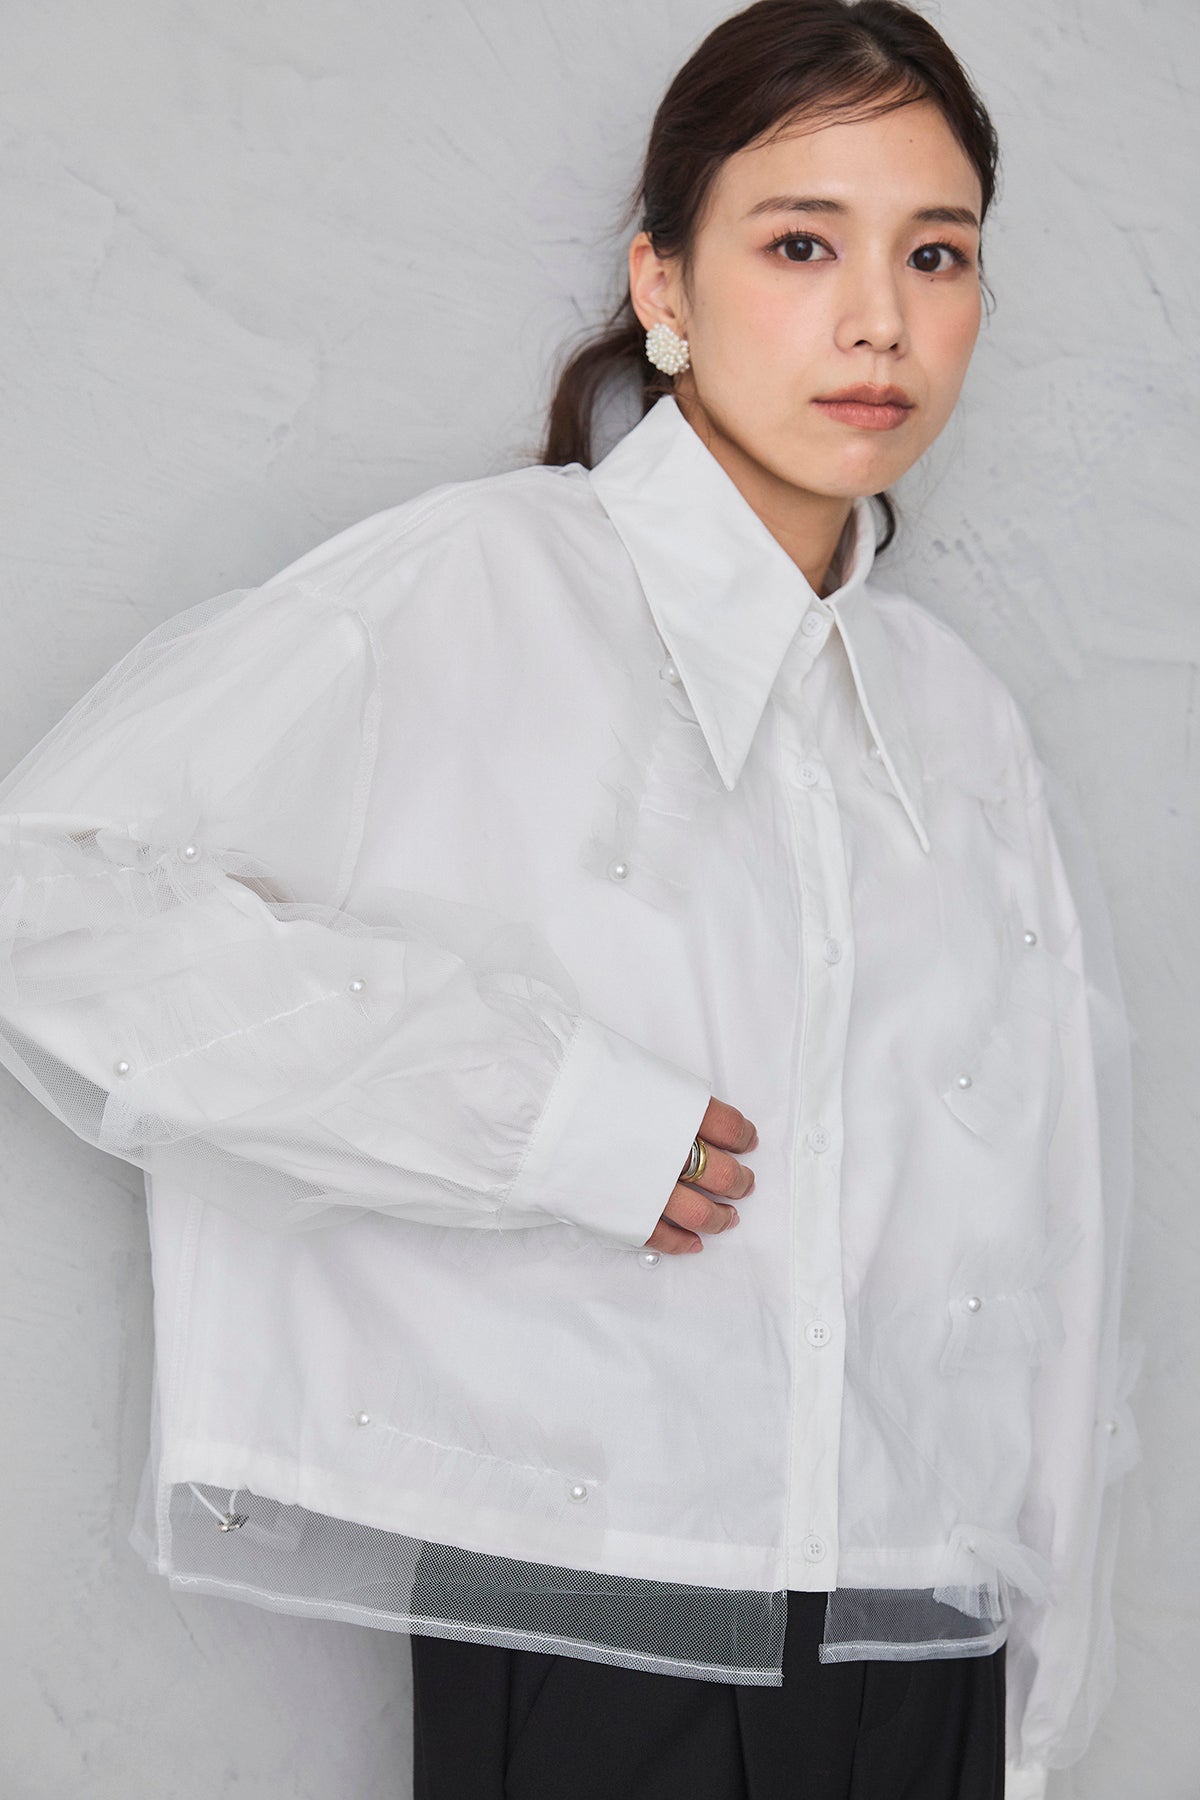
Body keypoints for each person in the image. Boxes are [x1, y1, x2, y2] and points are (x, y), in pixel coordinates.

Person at [0, 2, 1138, 1797]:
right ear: (662, 286)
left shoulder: (960, 722)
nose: (879, 320)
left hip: (923, 1639)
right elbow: (49, 893)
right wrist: (540, 1116)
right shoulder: (479, 592)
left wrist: (1031, 1707)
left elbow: (1051, 1235)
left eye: (936, 254)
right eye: (801, 245)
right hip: (598, 1615)